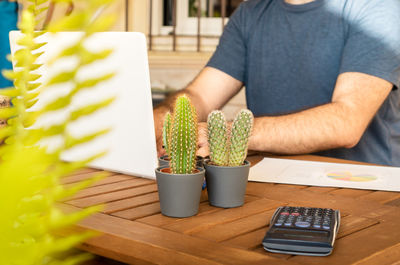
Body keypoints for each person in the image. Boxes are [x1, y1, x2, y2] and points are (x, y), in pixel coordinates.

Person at [154, 0, 400, 166]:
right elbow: (201, 96)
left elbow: (346, 122)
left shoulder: (378, 7)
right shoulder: (252, 11)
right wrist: (159, 121)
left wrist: (224, 134)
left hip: (364, 188)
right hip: (269, 181)